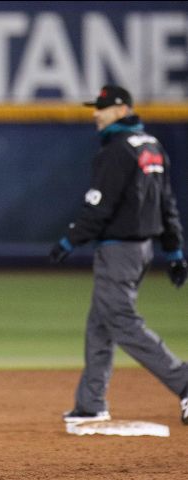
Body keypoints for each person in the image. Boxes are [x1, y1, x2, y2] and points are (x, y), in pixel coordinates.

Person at [49, 85, 188, 427]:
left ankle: (184, 382)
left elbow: (99, 204)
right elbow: (167, 204)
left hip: (120, 250)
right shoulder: (152, 147)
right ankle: (91, 402)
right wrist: (174, 249)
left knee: (122, 322)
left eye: (103, 108)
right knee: (100, 323)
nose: (96, 113)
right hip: (142, 250)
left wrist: (70, 239)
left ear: (123, 109)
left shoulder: (116, 150)